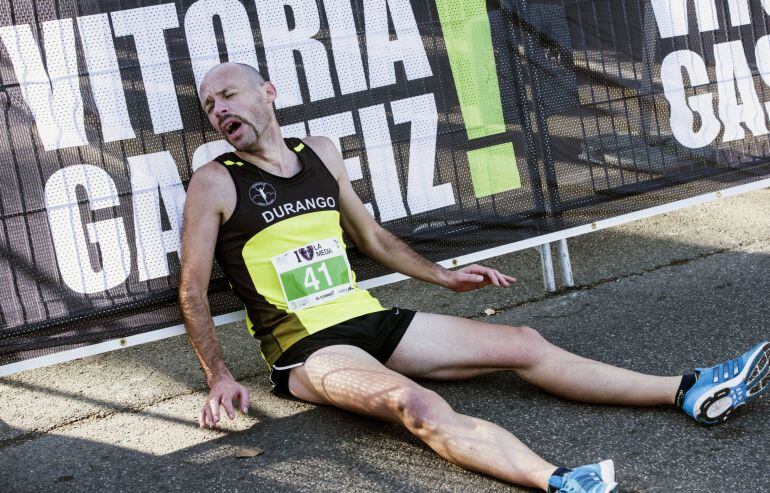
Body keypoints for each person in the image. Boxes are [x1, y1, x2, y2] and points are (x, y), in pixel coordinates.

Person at [179, 62, 770, 493]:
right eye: (210, 107)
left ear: (267, 92)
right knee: (411, 402)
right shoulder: (215, 181)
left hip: (371, 318)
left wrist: (444, 277)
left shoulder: (322, 152)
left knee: (523, 344)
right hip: (309, 348)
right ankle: (561, 482)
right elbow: (192, 287)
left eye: (228, 94)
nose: (220, 110)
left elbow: (373, 238)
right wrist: (218, 375)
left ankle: (686, 388)